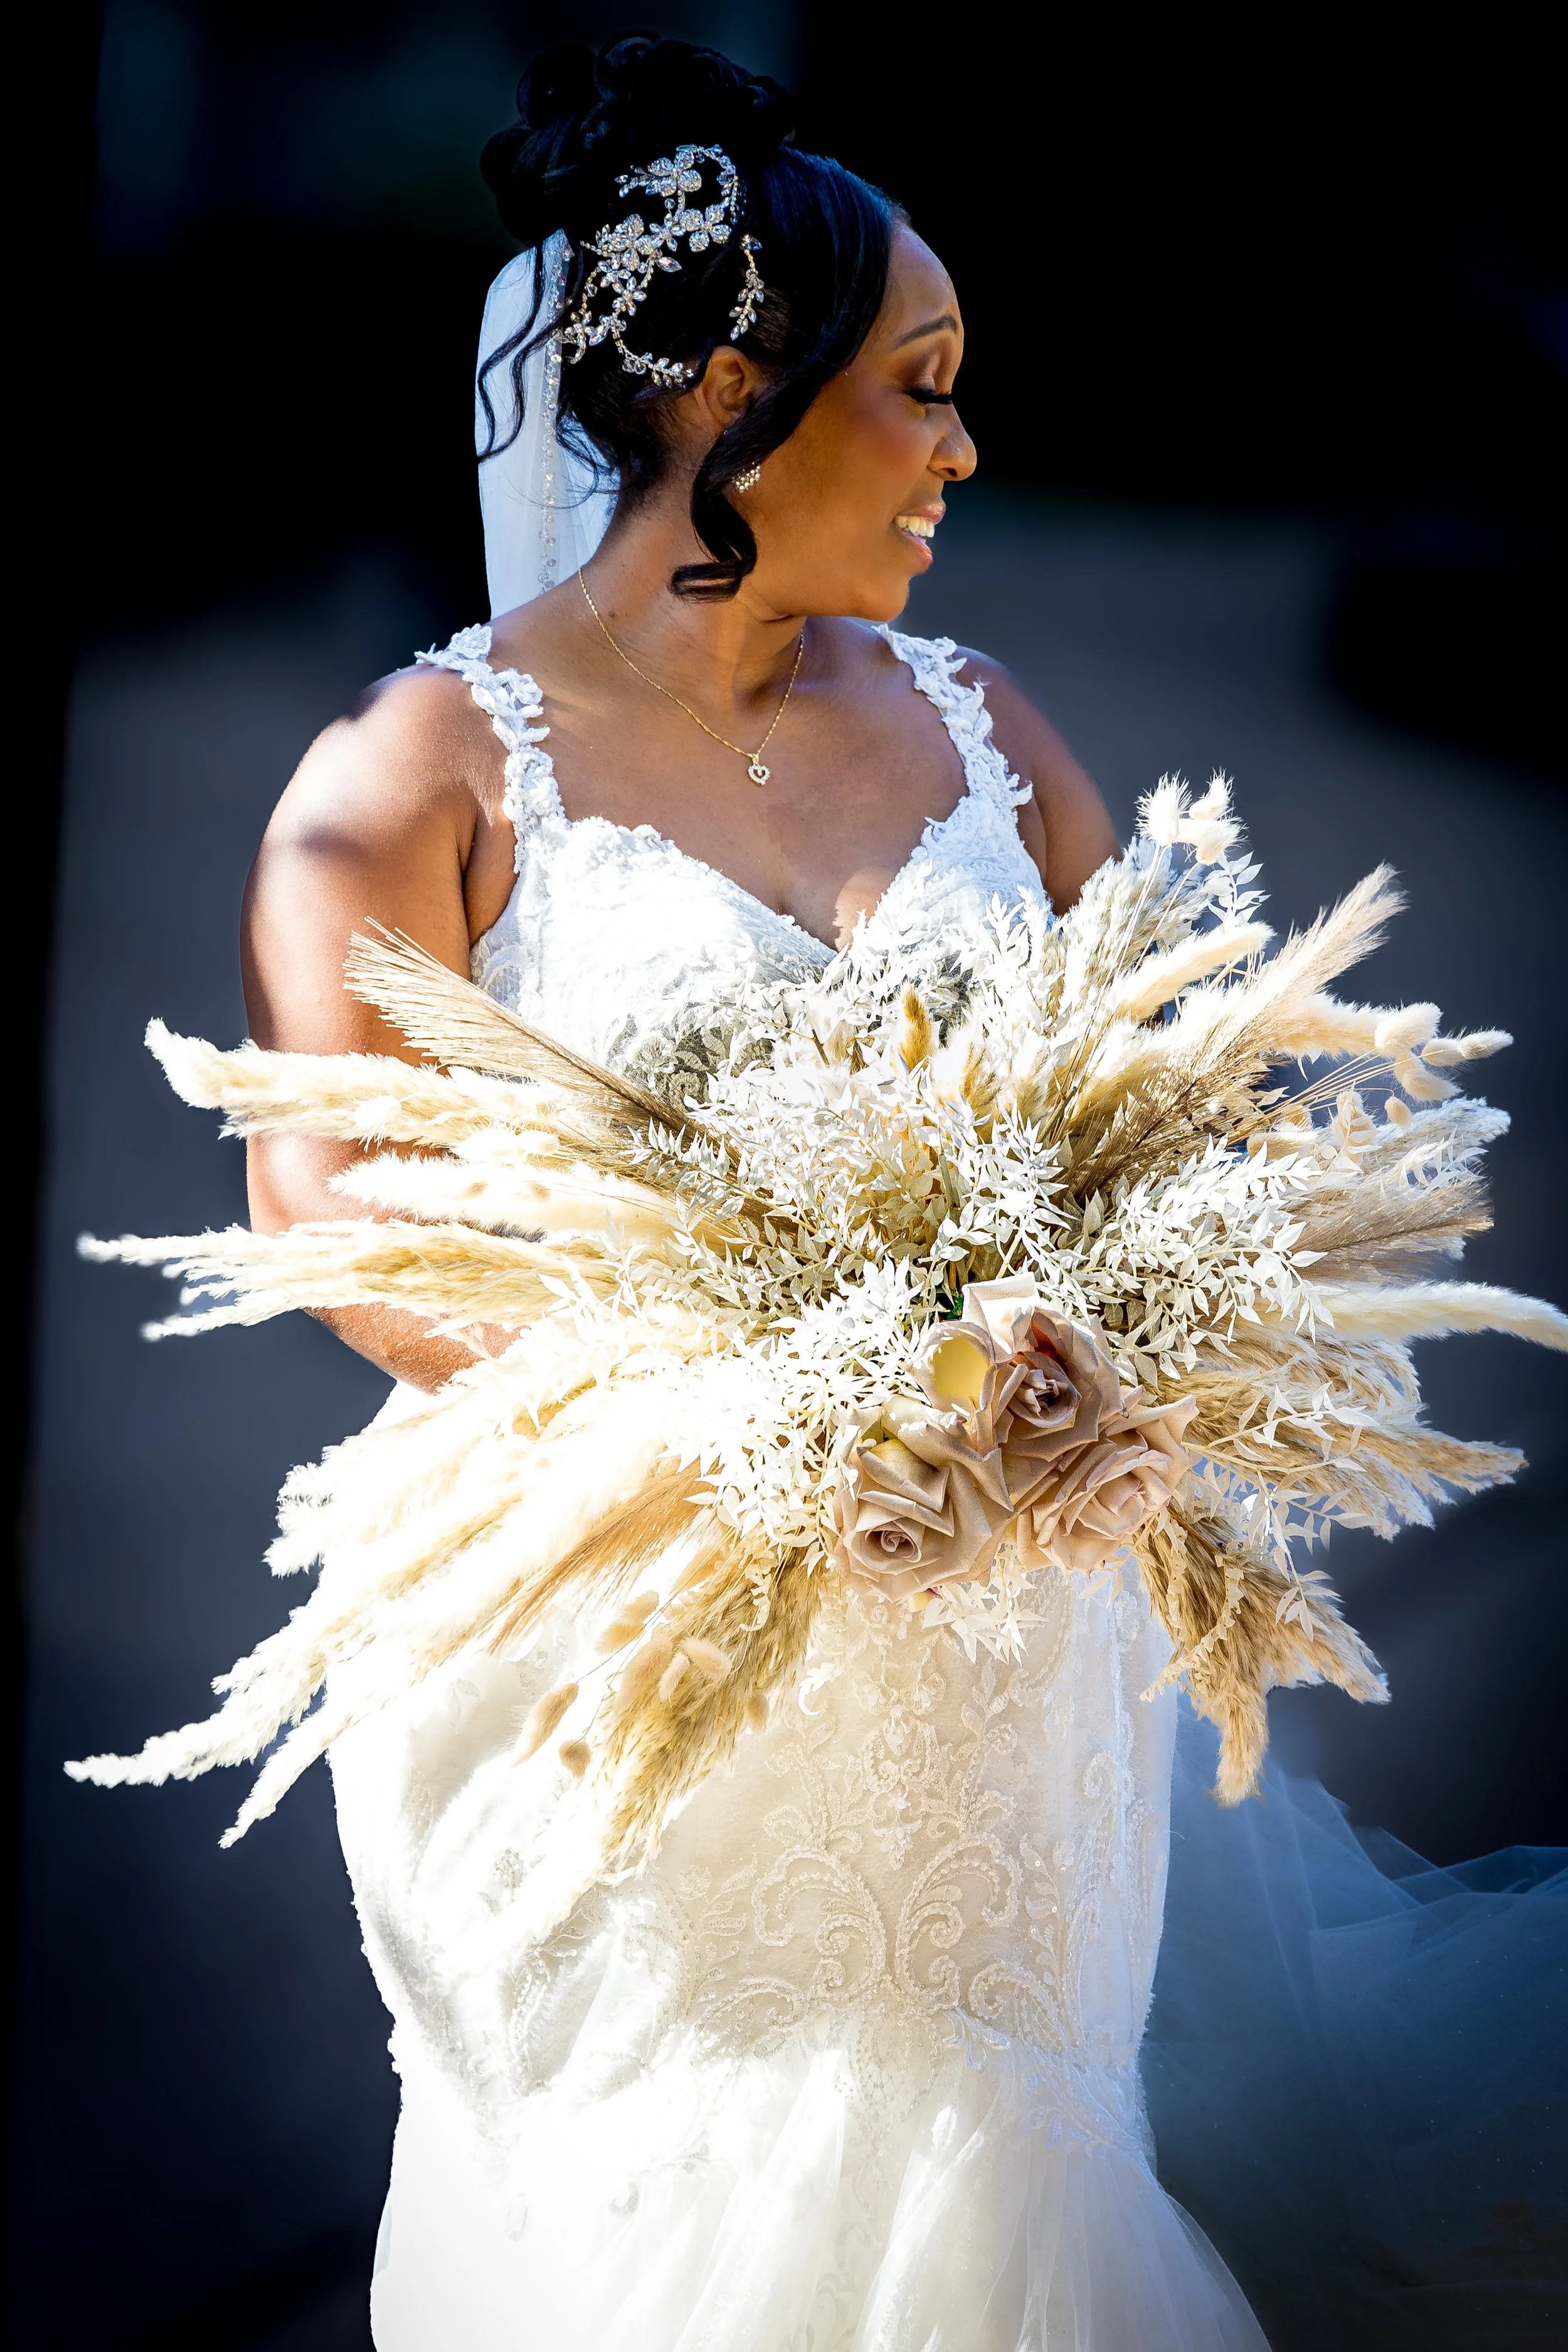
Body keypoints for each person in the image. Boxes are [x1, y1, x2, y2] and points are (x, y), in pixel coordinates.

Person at [176, 32, 1568, 2351]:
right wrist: (756, 1419)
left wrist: (1134, 1329)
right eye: (917, 386)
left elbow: (1182, 1102)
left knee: (1011, 2177)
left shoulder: (984, 729)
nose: (959, 445)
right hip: (607, 1649)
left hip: (1007, 1652)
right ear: (736, 389)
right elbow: (326, 1202)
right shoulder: (415, 767)